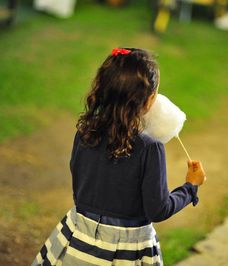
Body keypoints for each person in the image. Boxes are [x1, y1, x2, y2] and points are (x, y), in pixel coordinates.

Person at [31, 47, 206, 266]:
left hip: (77, 240)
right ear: (149, 100)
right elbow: (158, 209)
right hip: (125, 250)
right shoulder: (149, 148)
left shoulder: (85, 133)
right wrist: (190, 187)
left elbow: (80, 183)